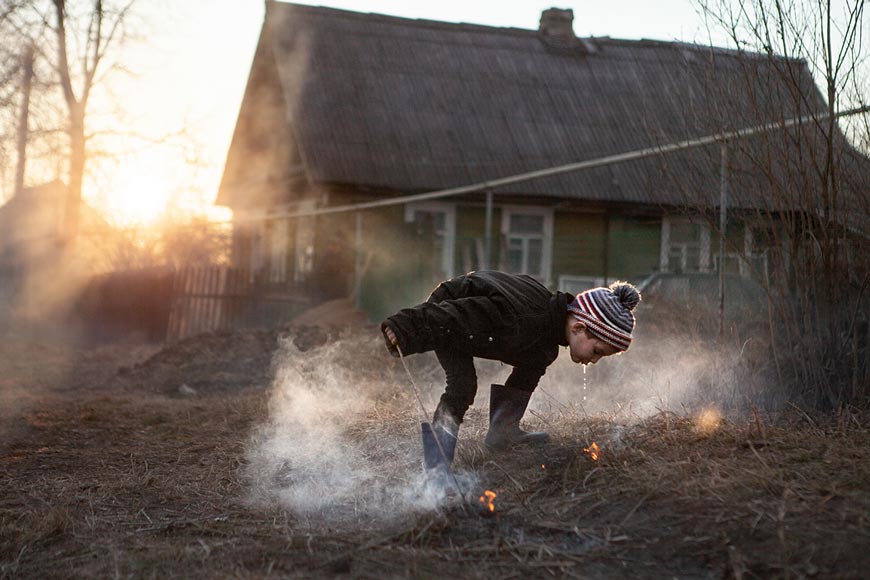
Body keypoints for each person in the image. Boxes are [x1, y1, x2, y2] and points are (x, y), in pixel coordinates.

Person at [380, 270, 640, 472]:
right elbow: (456, 315)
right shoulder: (520, 319)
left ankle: (502, 431)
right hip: (450, 312)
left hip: (481, 319)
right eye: (597, 351)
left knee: (537, 360)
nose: (593, 361)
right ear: (579, 328)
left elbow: (528, 370)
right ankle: (436, 467)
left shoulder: (547, 335)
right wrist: (406, 325)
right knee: (462, 386)